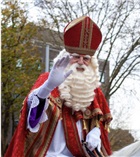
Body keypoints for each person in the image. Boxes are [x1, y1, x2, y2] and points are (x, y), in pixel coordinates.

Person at [5, 16, 113, 157]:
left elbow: (100, 122)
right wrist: (48, 87)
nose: (80, 62)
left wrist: (96, 132)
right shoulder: (47, 80)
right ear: (66, 56)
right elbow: (31, 119)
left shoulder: (94, 90)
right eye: (76, 57)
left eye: (86, 58)